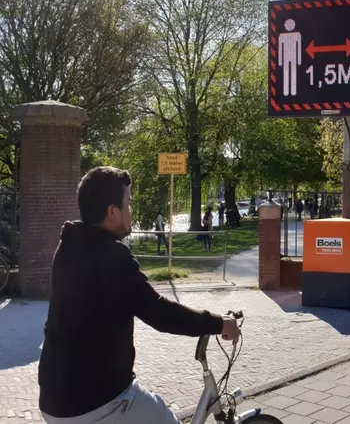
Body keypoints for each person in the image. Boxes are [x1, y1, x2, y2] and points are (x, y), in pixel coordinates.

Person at [38, 166, 240, 423]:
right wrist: (218, 322)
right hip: (98, 401)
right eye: (128, 204)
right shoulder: (112, 256)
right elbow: (160, 312)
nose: (131, 211)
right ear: (112, 212)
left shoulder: (68, 246)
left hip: (54, 398)